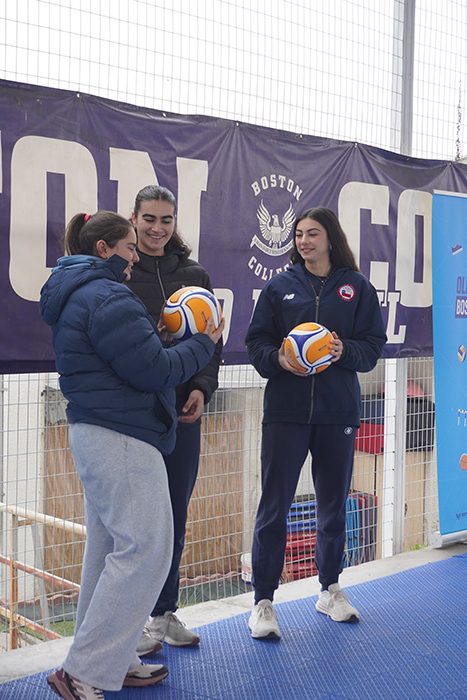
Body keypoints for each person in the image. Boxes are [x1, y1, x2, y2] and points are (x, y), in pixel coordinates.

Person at [40, 211, 223, 699]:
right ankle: (84, 671)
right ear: (104, 250)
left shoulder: (85, 293)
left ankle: (110, 658)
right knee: (146, 548)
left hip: (103, 431)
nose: (135, 257)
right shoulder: (107, 296)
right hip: (120, 435)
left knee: (109, 552)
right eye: (129, 248)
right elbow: (154, 371)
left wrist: (159, 339)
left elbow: (131, 360)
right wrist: (202, 343)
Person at [245, 207, 386, 639]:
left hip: (337, 413)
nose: (304, 241)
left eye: (313, 233)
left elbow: (372, 345)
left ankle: (330, 590)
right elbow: (256, 343)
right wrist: (279, 359)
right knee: (274, 507)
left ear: (330, 238)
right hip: (285, 413)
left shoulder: (355, 287)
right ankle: (264, 602)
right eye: (299, 234)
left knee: (333, 506)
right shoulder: (280, 286)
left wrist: (345, 352)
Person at [127, 185, 223, 652]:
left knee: (174, 514)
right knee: (137, 522)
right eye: (149, 219)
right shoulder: (123, 272)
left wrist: (202, 388)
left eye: (166, 220)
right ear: (134, 219)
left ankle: (163, 614)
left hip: (183, 413)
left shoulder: (194, 274)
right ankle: (131, 620)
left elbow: (212, 339)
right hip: (136, 414)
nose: (157, 228)